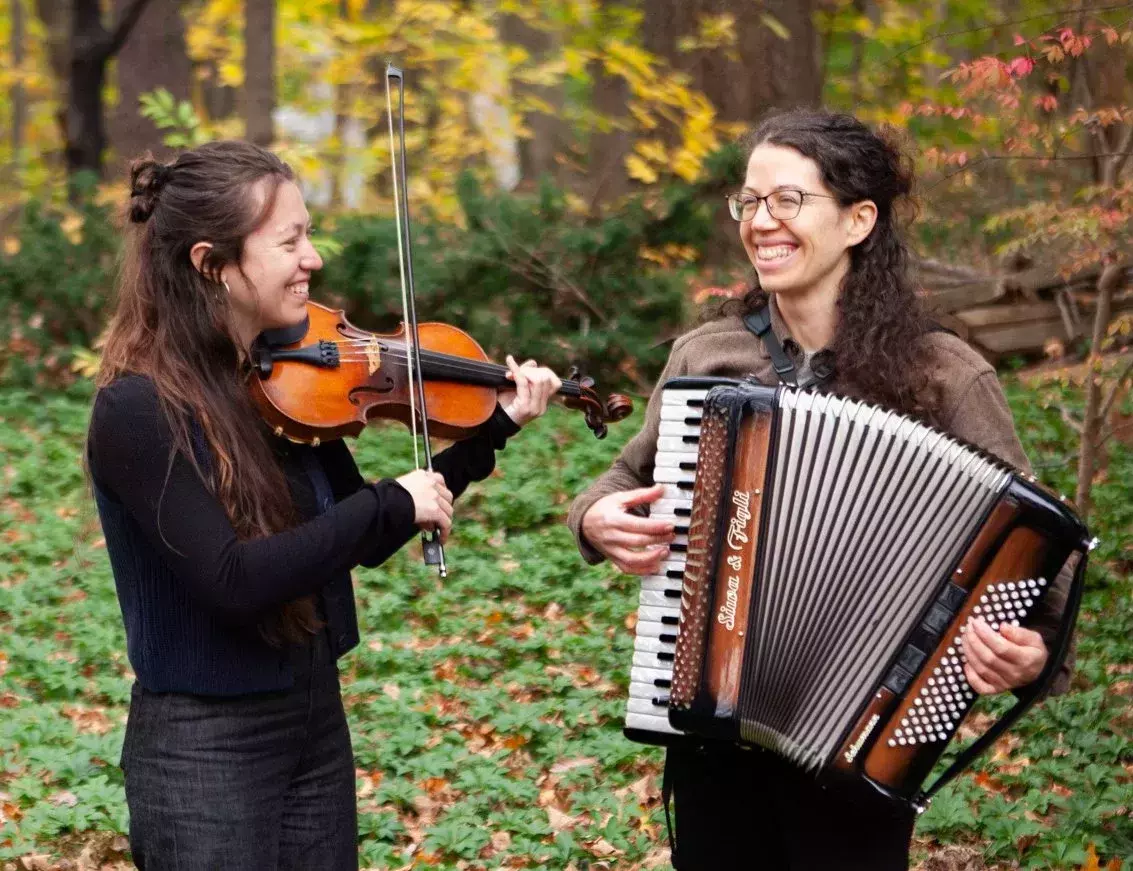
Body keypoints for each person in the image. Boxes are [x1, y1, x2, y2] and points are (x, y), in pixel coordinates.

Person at [566, 110, 1076, 870]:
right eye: (748, 201)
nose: (760, 222)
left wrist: (1032, 655)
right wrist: (596, 517)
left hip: (862, 746)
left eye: (787, 200)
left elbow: (1040, 560)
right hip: (714, 736)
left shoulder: (945, 376)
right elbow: (621, 477)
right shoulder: (709, 354)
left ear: (858, 219)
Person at [86, 140, 562, 870]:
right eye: (290, 240)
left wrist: (489, 429)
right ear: (211, 263)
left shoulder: (281, 379)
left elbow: (360, 531)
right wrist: (387, 504)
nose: (312, 259)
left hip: (311, 715)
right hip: (204, 746)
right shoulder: (138, 409)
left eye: (308, 234)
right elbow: (234, 580)